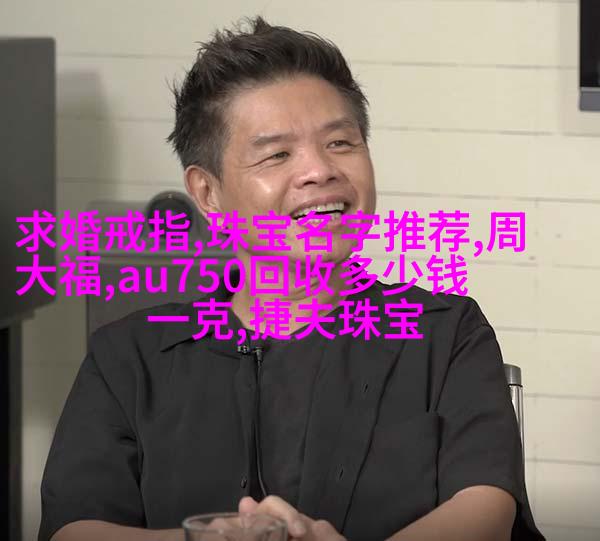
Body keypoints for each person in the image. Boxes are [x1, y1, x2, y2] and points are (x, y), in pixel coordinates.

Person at [39, 16, 545, 541]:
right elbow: (75, 528)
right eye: (277, 154)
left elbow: (486, 508)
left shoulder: (446, 332)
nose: (319, 171)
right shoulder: (128, 357)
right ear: (208, 193)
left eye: (341, 143)